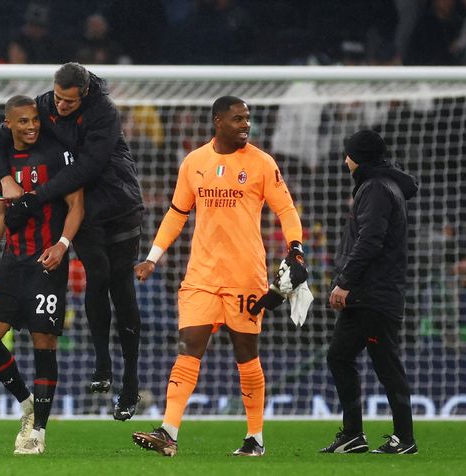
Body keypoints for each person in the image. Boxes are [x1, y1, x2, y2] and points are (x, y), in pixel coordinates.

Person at [131, 96, 307, 457]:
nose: (246, 125)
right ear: (217, 121)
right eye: (238, 119)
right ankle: (168, 432)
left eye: (248, 119)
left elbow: (285, 208)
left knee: (246, 354)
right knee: (189, 346)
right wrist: (152, 257)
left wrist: (296, 248)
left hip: (245, 275)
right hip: (201, 275)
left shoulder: (261, 163)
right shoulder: (194, 162)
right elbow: (177, 213)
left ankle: (255, 438)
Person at [0, 62, 144, 420]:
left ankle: (130, 382)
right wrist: (3, 178)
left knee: (122, 288)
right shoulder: (45, 103)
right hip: (83, 210)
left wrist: (36, 197)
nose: (60, 107)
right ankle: (102, 362)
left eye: (69, 102)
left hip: (119, 204)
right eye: (57, 98)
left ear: (84, 94)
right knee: (97, 275)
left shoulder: (104, 113)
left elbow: (86, 168)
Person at [0, 95, 84, 455]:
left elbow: (77, 205)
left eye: (35, 119)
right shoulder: (3, 164)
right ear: (8, 125)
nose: (32, 126)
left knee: (43, 344)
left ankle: (39, 433)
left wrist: (63, 245)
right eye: (23, 122)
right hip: (12, 263)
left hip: (47, 261)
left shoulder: (56, 154)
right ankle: (26, 402)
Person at [322, 130, 419, 455]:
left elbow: (370, 240)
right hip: (373, 294)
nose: (344, 159)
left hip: (372, 294)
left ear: (358, 157)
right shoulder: (382, 185)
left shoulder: (375, 188)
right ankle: (354, 435)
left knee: (385, 364)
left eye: (348, 153)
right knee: (340, 356)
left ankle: (404, 439)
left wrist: (345, 281)